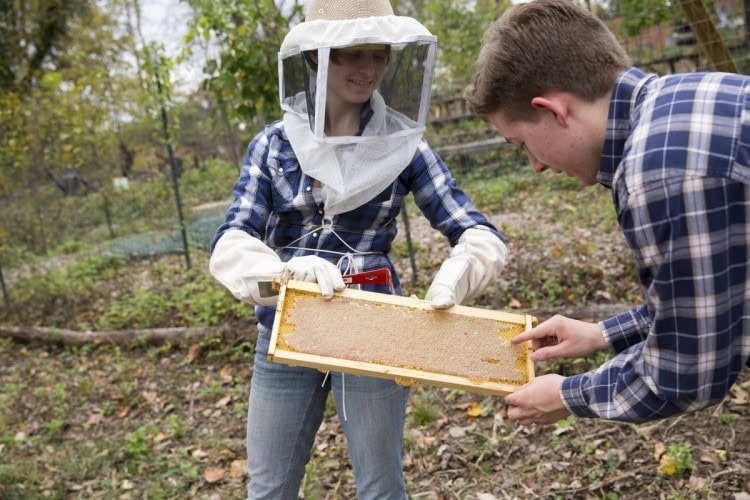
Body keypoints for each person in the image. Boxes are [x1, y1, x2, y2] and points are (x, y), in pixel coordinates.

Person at [208, 0, 509, 497]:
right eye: (350, 55)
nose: (367, 69)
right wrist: (283, 274)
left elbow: (474, 229)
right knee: (268, 488)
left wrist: (462, 271)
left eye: (378, 54)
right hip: (287, 332)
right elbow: (233, 238)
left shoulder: (405, 145)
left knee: (381, 488)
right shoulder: (273, 146)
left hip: (375, 332)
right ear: (314, 57)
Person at [464, 0, 750, 425]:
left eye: (522, 144)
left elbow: (688, 374)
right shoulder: (682, 102)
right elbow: (717, 299)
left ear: (552, 110)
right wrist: (601, 334)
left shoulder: (657, 173)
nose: (536, 165)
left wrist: (567, 394)